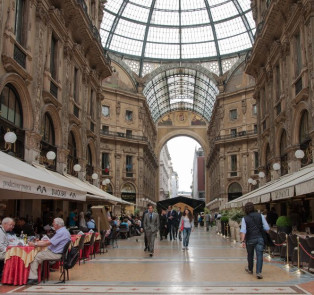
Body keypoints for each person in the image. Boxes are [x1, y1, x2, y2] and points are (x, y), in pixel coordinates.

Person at [27, 218, 70, 285]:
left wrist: (35, 244)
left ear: (57, 225)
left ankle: (33, 278)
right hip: (58, 252)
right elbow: (50, 242)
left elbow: (48, 243)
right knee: (41, 253)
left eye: (53, 223)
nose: (52, 224)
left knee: (36, 256)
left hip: (56, 254)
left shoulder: (61, 233)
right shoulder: (64, 231)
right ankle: (41, 274)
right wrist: (39, 243)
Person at [240, 202, 270, 280]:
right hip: (260, 238)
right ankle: (258, 272)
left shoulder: (244, 218)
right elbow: (267, 228)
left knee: (250, 255)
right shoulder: (260, 216)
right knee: (259, 255)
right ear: (253, 208)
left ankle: (250, 269)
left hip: (250, 239)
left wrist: (242, 241)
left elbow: (243, 231)